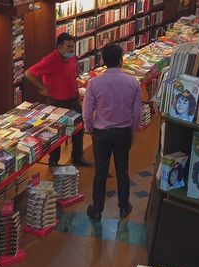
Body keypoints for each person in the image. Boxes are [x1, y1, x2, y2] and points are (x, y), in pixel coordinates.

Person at [83, 43, 142, 222]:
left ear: (103, 61)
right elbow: (136, 112)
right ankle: (124, 206)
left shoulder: (94, 83)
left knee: (100, 171)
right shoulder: (133, 82)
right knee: (122, 169)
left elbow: (87, 110)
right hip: (123, 132)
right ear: (121, 60)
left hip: (101, 132)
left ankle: (97, 209)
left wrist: (90, 128)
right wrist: (133, 131)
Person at [25, 32, 90, 169]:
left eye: (73, 46)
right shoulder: (50, 60)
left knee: (79, 128)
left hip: (72, 99)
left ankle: (77, 156)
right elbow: (29, 73)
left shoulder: (71, 58)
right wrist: (41, 87)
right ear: (60, 47)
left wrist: (77, 95)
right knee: (57, 133)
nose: (72, 49)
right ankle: (53, 161)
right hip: (57, 103)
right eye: (69, 47)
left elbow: (73, 77)